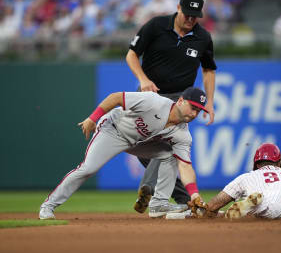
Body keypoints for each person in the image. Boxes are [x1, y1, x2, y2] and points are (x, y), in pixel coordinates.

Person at [39, 87, 208, 219]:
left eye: (198, 111)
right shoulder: (154, 101)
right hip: (113, 131)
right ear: (180, 101)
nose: (194, 114)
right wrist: (92, 118)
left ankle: (159, 204)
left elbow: (185, 166)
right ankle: (48, 206)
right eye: (192, 107)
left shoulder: (183, 135)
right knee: (89, 168)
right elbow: (116, 97)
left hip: (138, 142)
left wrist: (194, 194)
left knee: (171, 154)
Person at [125, 0, 217, 212]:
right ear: (178, 8)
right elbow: (131, 54)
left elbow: (209, 70)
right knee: (146, 149)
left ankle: (149, 187)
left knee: (168, 144)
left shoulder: (203, 37)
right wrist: (143, 79)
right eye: (187, 13)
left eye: (195, 15)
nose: (190, 19)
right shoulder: (156, 26)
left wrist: (210, 102)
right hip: (149, 94)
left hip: (179, 99)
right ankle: (184, 198)